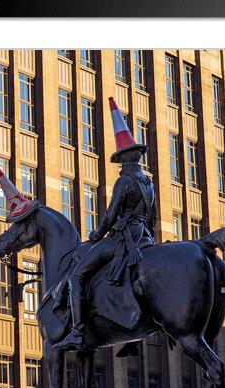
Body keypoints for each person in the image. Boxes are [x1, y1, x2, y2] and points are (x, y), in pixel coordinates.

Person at [54, 98, 157, 351]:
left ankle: (77, 331)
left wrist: (97, 234)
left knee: (77, 275)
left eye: (121, 160)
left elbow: (111, 216)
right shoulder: (149, 183)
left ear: (124, 158)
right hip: (144, 237)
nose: (121, 164)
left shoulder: (124, 182)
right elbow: (152, 217)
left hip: (123, 239)